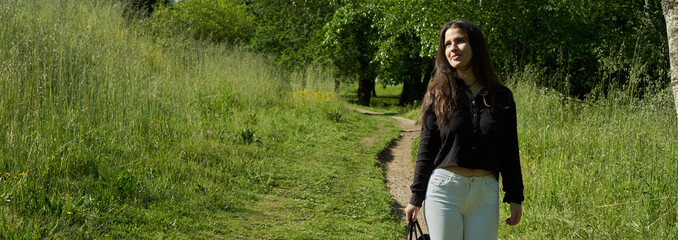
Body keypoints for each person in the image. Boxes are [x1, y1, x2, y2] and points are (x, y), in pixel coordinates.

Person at [404, 19, 524, 240]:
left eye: (460, 41)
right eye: (447, 44)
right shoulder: (438, 94)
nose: (453, 48)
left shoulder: (502, 97)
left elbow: (509, 151)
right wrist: (416, 197)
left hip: (485, 195)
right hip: (445, 192)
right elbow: (426, 149)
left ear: (475, 45)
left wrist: (515, 196)